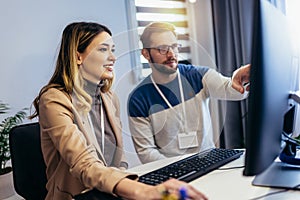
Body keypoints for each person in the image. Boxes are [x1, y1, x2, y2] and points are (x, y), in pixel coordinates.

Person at [29, 22, 207, 200]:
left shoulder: (109, 98)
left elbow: (119, 162)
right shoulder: (54, 100)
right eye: (103, 49)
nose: (113, 57)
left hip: (108, 193)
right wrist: (142, 191)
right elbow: (84, 163)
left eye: (112, 50)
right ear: (78, 57)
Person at [127, 22, 250, 164]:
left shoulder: (198, 75)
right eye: (162, 49)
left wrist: (241, 78)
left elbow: (233, 91)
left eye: (174, 46)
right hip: (172, 173)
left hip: (209, 163)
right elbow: (146, 152)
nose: (171, 54)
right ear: (146, 54)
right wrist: (179, 168)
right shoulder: (138, 99)